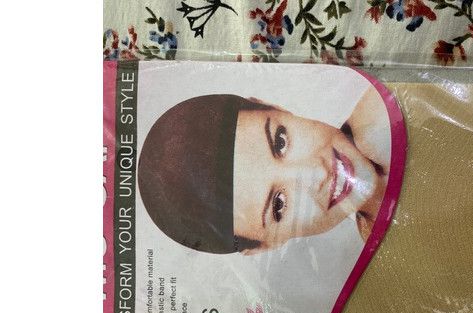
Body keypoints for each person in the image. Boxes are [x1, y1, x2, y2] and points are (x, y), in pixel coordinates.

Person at [138, 87, 390, 255]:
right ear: (266, 246)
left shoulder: (386, 111)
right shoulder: (376, 258)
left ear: (273, 106)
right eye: (279, 205)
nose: (317, 173)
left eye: (281, 141)